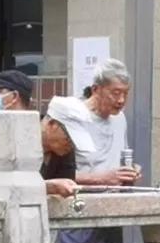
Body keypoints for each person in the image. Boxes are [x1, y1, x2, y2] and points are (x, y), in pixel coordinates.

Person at [57, 59, 138, 189]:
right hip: (83, 201)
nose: (121, 100)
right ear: (95, 89)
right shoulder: (72, 118)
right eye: (115, 93)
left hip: (117, 200)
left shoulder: (120, 118)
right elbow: (55, 176)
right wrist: (103, 179)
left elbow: (117, 162)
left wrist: (130, 170)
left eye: (126, 93)